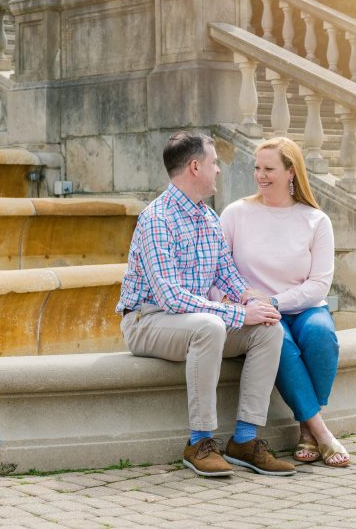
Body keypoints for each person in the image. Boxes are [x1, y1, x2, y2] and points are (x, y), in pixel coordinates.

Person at [117, 131, 295, 478]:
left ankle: (245, 440)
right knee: (210, 326)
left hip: (195, 324)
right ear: (195, 167)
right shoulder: (157, 219)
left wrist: (258, 304)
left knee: (267, 331)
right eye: (214, 163)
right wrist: (237, 312)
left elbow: (229, 278)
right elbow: (170, 297)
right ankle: (199, 442)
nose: (219, 171)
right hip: (147, 321)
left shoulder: (209, 219)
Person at [218, 137, 350, 468]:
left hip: (304, 307)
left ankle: (306, 429)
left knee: (322, 336)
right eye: (257, 168)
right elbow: (217, 270)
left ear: (291, 172)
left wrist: (276, 300)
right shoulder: (236, 214)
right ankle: (320, 433)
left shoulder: (316, 220)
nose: (260, 176)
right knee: (282, 345)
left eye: (269, 169)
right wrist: (250, 304)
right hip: (259, 313)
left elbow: (320, 284)